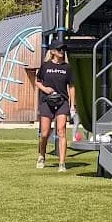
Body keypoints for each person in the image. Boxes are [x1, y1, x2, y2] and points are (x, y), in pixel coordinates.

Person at [36, 38, 76, 172]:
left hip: (62, 101)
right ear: (52, 51)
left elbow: (71, 86)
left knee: (61, 130)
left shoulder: (67, 68)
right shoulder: (45, 66)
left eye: (63, 49)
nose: (62, 51)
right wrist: (45, 89)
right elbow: (37, 82)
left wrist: (72, 105)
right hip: (47, 101)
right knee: (45, 133)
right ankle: (41, 156)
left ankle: (62, 163)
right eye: (59, 49)